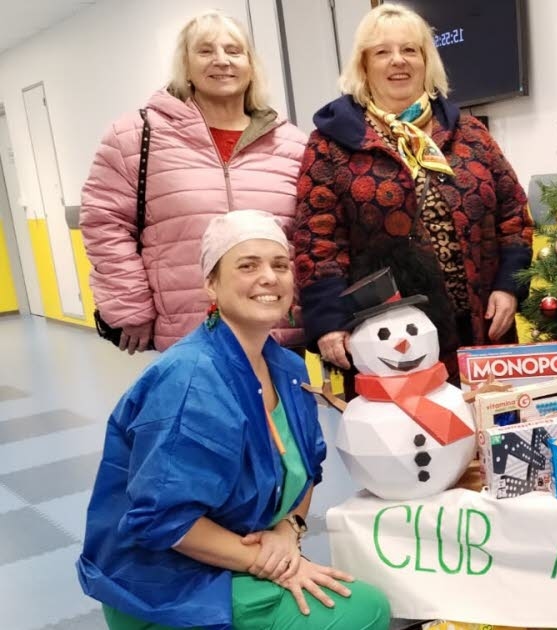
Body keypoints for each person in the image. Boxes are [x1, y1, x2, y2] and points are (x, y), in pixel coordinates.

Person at [77, 210, 391, 629]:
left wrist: (289, 530)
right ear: (211, 283)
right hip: (164, 584)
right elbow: (162, 519)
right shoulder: (190, 380)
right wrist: (270, 561)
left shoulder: (288, 370)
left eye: (280, 265)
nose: (269, 278)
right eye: (248, 265)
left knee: (367, 600)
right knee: (364, 613)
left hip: (238, 554)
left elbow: (307, 470)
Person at [292, 3, 533, 385]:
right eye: (382, 52)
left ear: (426, 61)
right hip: (390, 341)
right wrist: (329, 320)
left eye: (409, 50)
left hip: (480, 331)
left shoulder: (470, 132)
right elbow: (316, 241)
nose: (398, 61)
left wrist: (509, 286)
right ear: (363, 65)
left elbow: (513, 213)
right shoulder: (330, 144)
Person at [81, 10, 308, 353]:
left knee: (281, 392)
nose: (222, 60)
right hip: (188, 334)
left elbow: (313, 235)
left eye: (234, 51)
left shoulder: (292, 144)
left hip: (277, 333)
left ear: (251, 65)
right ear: (185, 66)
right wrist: (130, 305)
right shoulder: (136, 136)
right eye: (205, 50)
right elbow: (104, 222)